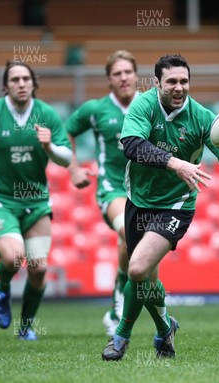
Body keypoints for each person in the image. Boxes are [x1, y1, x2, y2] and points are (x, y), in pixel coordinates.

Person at [101, 54, 219, 361]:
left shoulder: (201, 116)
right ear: (157, 83)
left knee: (136, 268)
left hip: (176, 206)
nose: (178, 87)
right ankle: (165, 328)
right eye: (171, 81)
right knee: (146, 279)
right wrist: (175, 163)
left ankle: (120, 336)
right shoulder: (144, 105)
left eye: (184, 81)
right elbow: (132, 145)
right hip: (138, 201)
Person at [0, 61, 71, 341]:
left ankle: (26, 327)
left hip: (37, 201)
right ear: (6, 85)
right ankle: (3, 288)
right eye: (15, 79)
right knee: (13, 257)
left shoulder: (46, 114)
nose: (21, 84)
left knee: (39, 268)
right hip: (0, 198)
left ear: (33, 83)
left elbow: (65, 158)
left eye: (26, 79)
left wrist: (49, 146)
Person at [65, 50, 138, 336]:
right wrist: (73, 168)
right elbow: (65, 131)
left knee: (140, 250)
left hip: (146, 191)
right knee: (127, 231)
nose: (123, 78)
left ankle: (119, 298)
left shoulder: (150, 105)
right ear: (109, 79)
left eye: (128, 72)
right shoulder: (95, 110)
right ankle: (120, 301)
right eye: (117, 73)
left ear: (136, 75)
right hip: (113, 188)